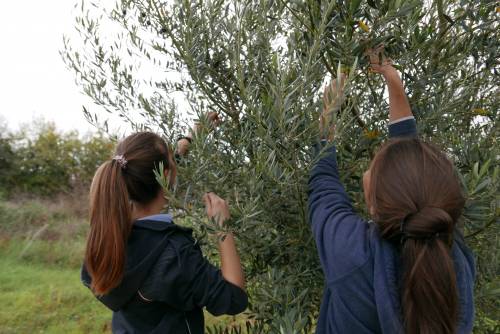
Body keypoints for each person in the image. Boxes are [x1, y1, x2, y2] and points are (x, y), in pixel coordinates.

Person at [308, 49, 475, 334]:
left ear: (374, 205)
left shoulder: (352, 255)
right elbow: (413, 176)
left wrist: (328, 115)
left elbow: (323, 186)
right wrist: (393, 81)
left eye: (375, 164)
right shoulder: (455, 260)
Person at [81, 113, 247, 333]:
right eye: (171, 158)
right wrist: (221, 228)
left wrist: (189, 140)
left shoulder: (110, 237)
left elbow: (158, 177)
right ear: (165, 176)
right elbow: (233, 298)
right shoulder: (175, 255)